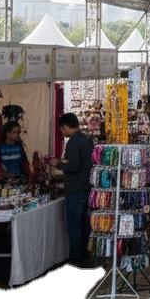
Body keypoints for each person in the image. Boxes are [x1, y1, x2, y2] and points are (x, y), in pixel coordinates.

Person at [55, 113, 94, 269]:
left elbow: (73, 166)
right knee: (84, 224)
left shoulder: (72, 142)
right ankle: (84, 254)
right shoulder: (87, 140)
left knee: (75, 226)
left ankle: (75, 257)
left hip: (75, 189)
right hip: (86, 187)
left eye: (62, 129)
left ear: (65, 127)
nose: (62, 132)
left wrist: (58, 164)